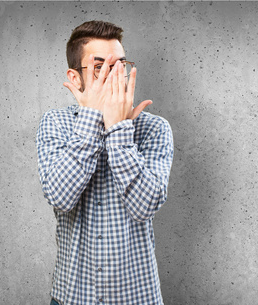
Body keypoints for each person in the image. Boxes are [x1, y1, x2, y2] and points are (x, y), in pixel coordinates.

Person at [36, 20, 174, 305]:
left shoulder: (155, 129)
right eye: (100, 67)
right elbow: (60, 197)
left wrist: (119, 131)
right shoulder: (55, 124)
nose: (115, 76)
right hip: (72, 297)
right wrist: (92, 122)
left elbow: (145, 206)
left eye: (120, 65)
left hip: (137, 297)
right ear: (75, 78)